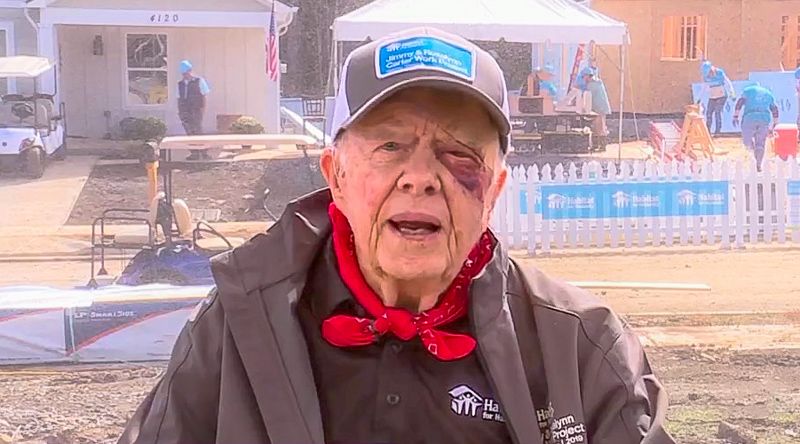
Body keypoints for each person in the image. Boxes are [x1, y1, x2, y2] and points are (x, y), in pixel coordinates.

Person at [118, 27, 675, 444]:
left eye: (459, 153)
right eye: (390, 146)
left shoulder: (579, 347)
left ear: (495, 189)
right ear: (336, 176)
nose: (421, 177)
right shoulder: (239, 326)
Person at [733, 83, 779, 172]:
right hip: (764, 119)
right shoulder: (768, 93)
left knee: (747, 141)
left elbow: (740, 103)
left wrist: (736, 116)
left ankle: (752, 154)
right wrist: (775, 123)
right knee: (761, 143)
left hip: (749, 117)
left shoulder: (747, 90)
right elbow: (774, 109)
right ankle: (758, 163)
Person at [177, 59, 211, 161]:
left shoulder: (199, 81)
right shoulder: (180, 84)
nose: (185, 75)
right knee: (189, 131)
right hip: (184, 110)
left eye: (186, 72)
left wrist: (203, 109)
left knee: (198, 130)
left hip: (196, 109)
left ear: (190, 70)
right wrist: (180, 111)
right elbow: (179, 98)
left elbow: (204, 96)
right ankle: (194, 153)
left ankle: (204, 152)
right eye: (183, 73)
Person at [700, 59, 736, 136]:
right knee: (709, 113)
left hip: (722, 95)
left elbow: (728, 82)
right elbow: (704, 87)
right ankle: (707, 132)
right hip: (712, 96)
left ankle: (717, 132)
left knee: (717, 112)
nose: (709, 74)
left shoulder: (719, 72)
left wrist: (732, 92)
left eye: (709, 72)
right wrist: (699, 98)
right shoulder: (706, 76)